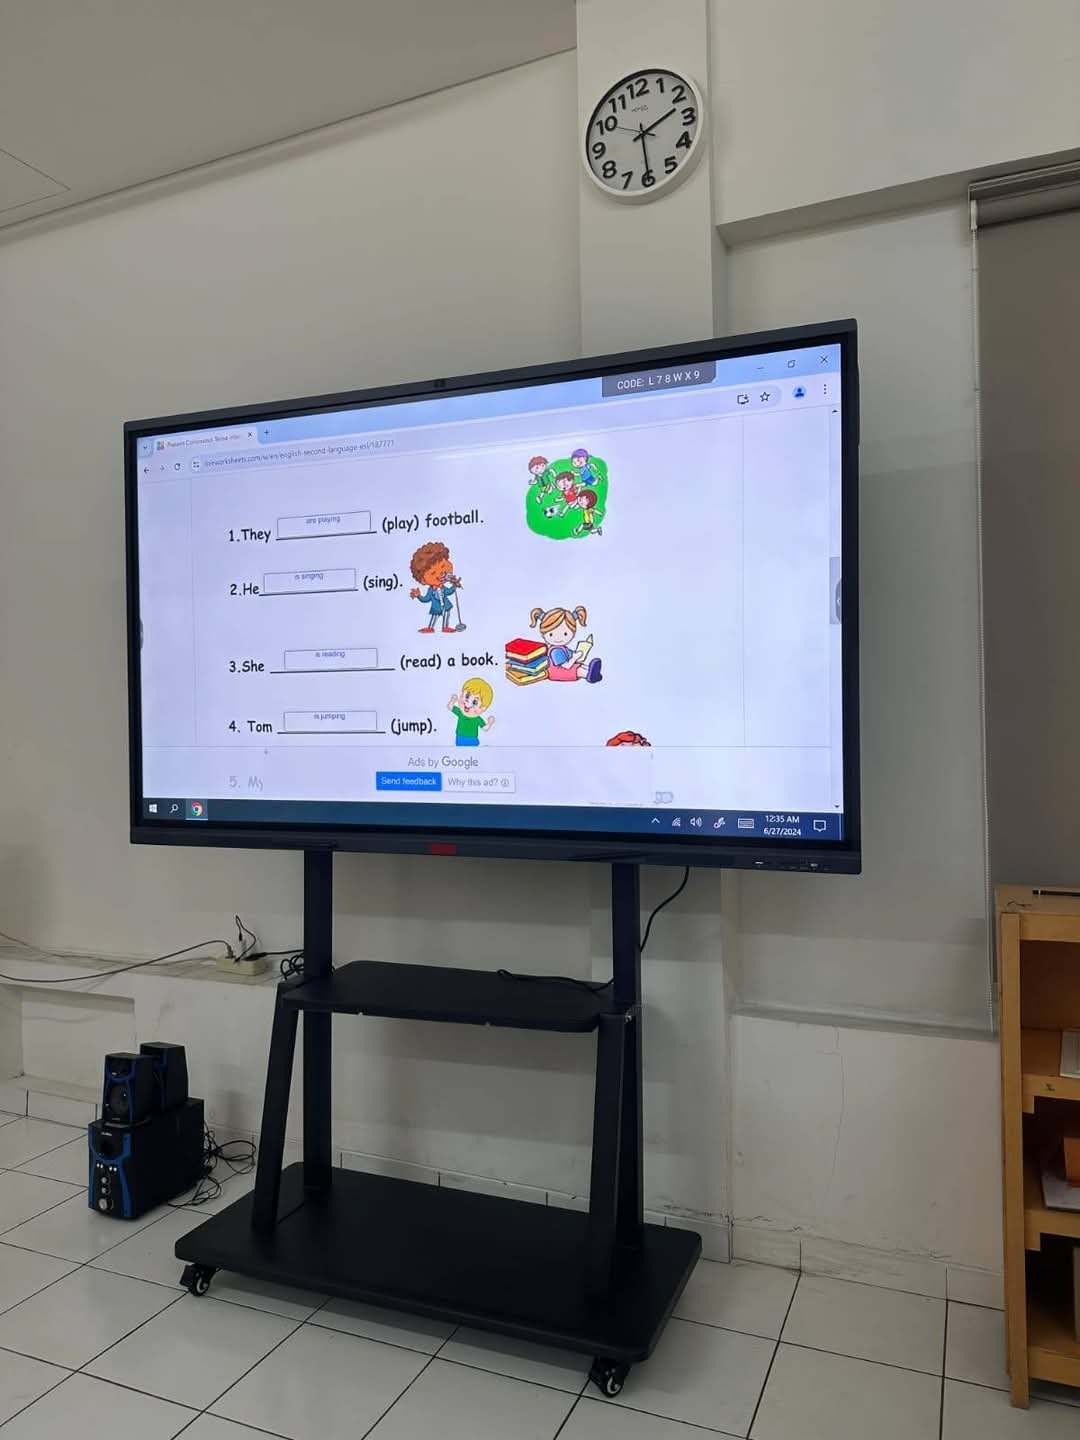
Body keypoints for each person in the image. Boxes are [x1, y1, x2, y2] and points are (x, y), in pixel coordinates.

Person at [529, 605, 602, 683]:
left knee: (581, 665)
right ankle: (589, 675)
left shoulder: (563, 648)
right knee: (578, 669)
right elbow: (566, 666)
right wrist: (574, 658)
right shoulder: (556, 651)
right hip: (557, 672)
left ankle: (592, 671)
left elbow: (570, 655)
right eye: (551, 634)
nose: (558, 638)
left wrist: (578, 654)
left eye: (565, 634)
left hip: (563, 668)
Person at [409, 541, 460, 633]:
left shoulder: (443, 587)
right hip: (436, 607)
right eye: (433, 573)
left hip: (446, 605)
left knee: (447, 614)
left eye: (443, 566)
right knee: (435, 616)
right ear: (423, 581)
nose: (441, 573)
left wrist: (454, 586)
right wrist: (418, 596)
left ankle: (445, 627)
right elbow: (426, 599)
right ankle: (430, 627)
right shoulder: (431, 590)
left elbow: (449, 591)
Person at [448, 677, 495, 745]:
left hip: (472, 739)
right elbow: (450, 707)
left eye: (475, 702)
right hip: (459, 738)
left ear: (483, 708)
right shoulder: (461, 713)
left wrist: (490, 722)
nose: (468, 702)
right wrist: (453, 700)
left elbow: (485, 728)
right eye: (467, 696)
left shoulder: (477, 719)